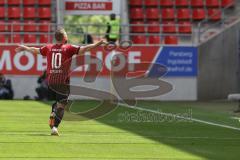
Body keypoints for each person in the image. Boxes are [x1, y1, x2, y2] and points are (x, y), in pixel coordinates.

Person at [15, 27, 107, 136]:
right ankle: (55, 127)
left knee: (58, 104)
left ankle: (54, 111)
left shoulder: (48, 48)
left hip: (50, 82)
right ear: (64, 38)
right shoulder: (68, 48)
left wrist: (24, 48)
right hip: (62, 82)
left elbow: (35, 50)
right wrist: (98, 43)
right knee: (62, 106)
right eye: (66, 35)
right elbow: (85, 49)